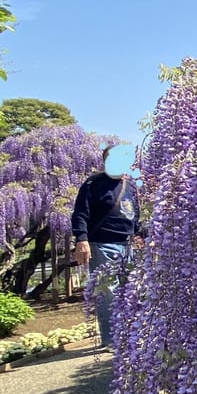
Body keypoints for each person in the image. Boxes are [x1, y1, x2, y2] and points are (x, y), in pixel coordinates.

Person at [71, 144, 145, 349]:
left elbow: (135, 215)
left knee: (132, 291)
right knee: (108, 293)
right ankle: (112, 340)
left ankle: (133, 335)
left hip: (129, 245)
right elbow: (80, 213)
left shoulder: (131, 186)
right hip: (102, 244)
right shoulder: (94, 183)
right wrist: (82, 239)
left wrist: (141, 235)